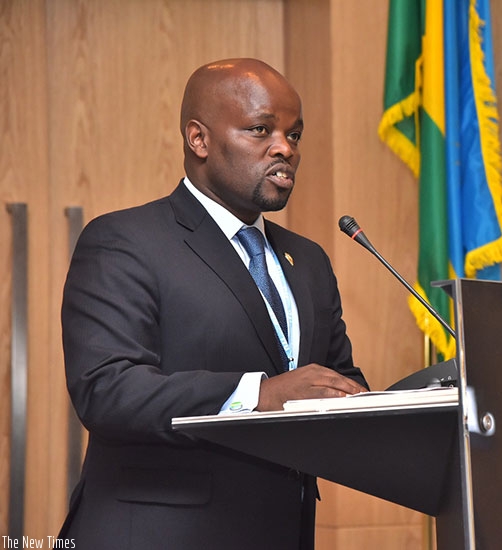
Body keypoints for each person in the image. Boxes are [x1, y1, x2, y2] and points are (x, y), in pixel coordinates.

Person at [59, 58, 368, 549]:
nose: (285, 148)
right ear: (198, 139)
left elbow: (335, 380)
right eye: (261, 129)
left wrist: (401, 406)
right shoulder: (125, 241)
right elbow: (107, 389)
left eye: (294, 134)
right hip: (159, 534)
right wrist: (258, 394)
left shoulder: (308, 260)